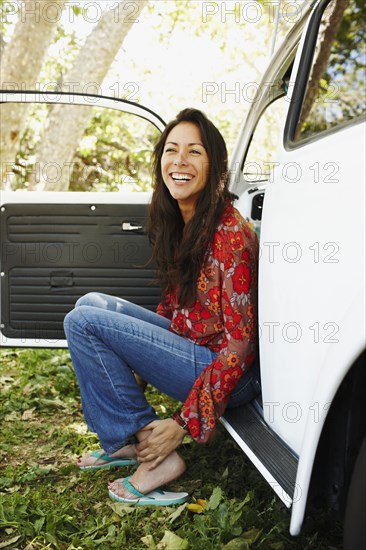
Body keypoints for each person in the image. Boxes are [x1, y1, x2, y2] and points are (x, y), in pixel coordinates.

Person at [63, 108, 260, 506]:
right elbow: (173, 309)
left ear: (216, 165)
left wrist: (183, 423)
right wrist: (134, 360)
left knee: (82, 321)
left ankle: (157, 457)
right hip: (193, 347)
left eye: (194, 152)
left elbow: (240, 346)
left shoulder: (229, 235)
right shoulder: (185, 220)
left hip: (230, 375)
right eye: (171, 150)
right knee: (91, 304)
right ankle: (126, 441)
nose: (180, 161)